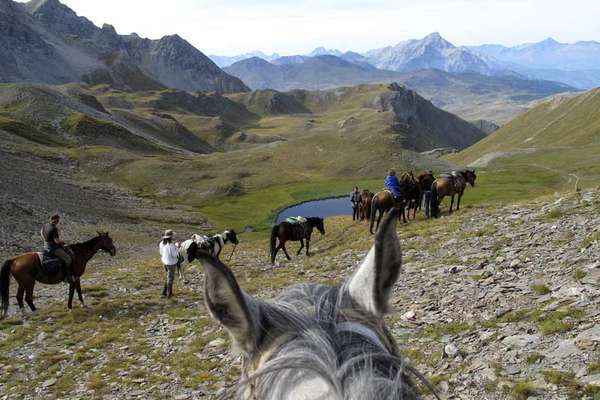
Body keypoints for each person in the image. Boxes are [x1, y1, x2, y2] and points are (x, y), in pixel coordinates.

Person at [41, 213, 74, 284]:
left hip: (45, 246)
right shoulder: (54, 228)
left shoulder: (46, 225)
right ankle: (67, 277)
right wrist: (63, 242)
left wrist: (46, 240)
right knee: (68, 258)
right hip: (52, 248)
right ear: (56, 220)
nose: (58, 221)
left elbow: (41, 232)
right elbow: (57, 241)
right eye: (58, 220)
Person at [159, 230, 179, 298]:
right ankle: (169, 294)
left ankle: (164, 292)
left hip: (165, 262)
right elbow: (175, 255)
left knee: (168, 277)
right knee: (170, 278)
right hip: (171, 264)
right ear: (171, 237)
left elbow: (161, 253)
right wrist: (177, 248)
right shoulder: (171, 245)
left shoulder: (161, 243)